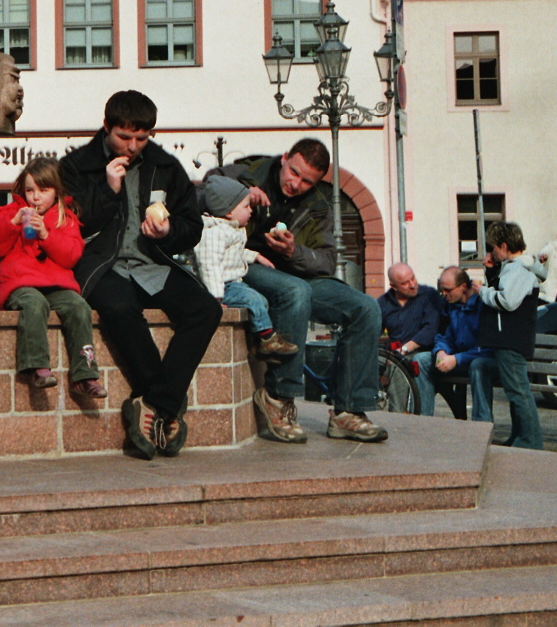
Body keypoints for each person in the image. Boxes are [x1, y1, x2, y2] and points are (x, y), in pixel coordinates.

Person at [59, 90, 221, 460]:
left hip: (153, 263)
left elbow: (191, 226)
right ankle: (166, 409)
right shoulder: (77, 165)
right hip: (103, 264)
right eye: (124, 137)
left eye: (142, 138)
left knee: (206, 310)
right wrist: (109, 190)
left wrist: (169, 233)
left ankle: (151, 404)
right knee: (118, 308)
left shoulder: (164, 165)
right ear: (106, 128)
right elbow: (73, 224)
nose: (133, 146)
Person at [208, 139, 388, 444]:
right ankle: (279, 397)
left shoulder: (318, 204)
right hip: (242, 265)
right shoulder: (249, 172)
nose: (297, 184)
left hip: (296, 273)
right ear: (285, 158)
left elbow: (328, 261)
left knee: (366, 308)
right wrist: (238, 194)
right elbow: (203, 190)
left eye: (308, 181)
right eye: (294, 173)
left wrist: (294, 252)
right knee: (296, 292)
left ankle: (349, 412)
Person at [0, 156, 106, 400]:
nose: (35, 197)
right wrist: (13, 223)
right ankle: (36, 367)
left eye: (43, 190)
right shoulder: (11, 212)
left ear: (57, 191)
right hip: (21, 283)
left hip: (56, 283)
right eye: (30, 190)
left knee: (78, 307)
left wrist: (47, 235)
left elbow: (71, 256)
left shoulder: (65, 218)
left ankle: (85, 374)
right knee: (34, 303)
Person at [192, 176, 299, 364]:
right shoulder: (214, 232)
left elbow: (237, 252)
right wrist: (215, 297)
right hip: (218, 287)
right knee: (254, 299)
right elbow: (210, 265)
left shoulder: (232, 228)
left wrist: (256, 257)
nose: (251, 211)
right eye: (246, 207)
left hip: (231, 283)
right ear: (227, 212)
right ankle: (267, 340)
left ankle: (260, 343)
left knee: (260, 300)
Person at [478, 221, 543, 449]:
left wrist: (481, 291)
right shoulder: (514, 267)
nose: (492, 252)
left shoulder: (518, 268)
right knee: (516, 391)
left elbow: (506, 301)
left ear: (504, 246)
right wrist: (491, 271)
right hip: (510, 338)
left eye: (494, 247)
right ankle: (520, 435)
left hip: (511, 338)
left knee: (518, 392)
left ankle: (530, 440)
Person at [377, 262, 446, 415]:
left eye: (413, 278)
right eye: (405, 283)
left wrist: (404, 350)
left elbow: (430, 329)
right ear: (394, 286)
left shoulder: (429, 295)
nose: (412, 284)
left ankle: (414, 417)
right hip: (396, 353)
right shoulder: (383, 303)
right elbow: (374, 331)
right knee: (368, 360)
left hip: (425, 350)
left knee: (400, 364)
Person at [431, 265, 495, 423]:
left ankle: (481, 427)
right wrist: (441, 352)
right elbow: (446, 336)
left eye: (448, 290)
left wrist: (457, 359)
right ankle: (423, 419)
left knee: (478, 366)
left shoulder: (483, 305)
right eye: (442, 290)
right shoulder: (452, 305)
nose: (444, 295)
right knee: (422, 360)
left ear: (463, 287)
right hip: (458, 360)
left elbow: (489, 347)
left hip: (484, 360)